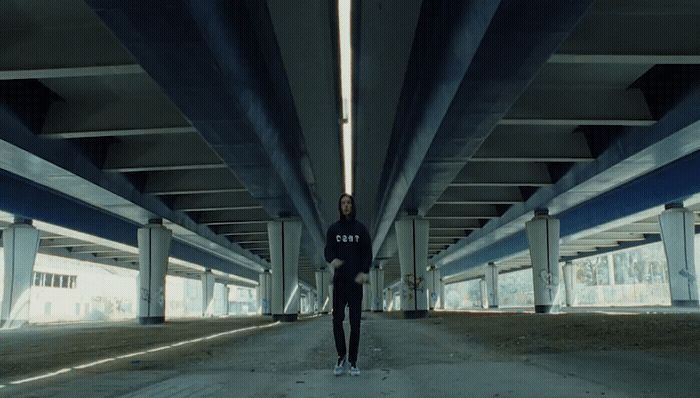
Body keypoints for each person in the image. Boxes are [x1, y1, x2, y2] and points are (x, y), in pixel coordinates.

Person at [324, 193, 372, 376]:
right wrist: (332, 259)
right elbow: (328, 249)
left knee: (355, 324)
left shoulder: (360, 230)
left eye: (349, 203)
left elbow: (368, 251)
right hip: (339, 283)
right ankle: (341, 356)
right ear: (340, 207)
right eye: (343, 203)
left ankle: (353, 361)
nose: (346, 206)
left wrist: (364, 271)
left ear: (353, 206)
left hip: (355, 283)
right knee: (337, 321)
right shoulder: (333, 230)